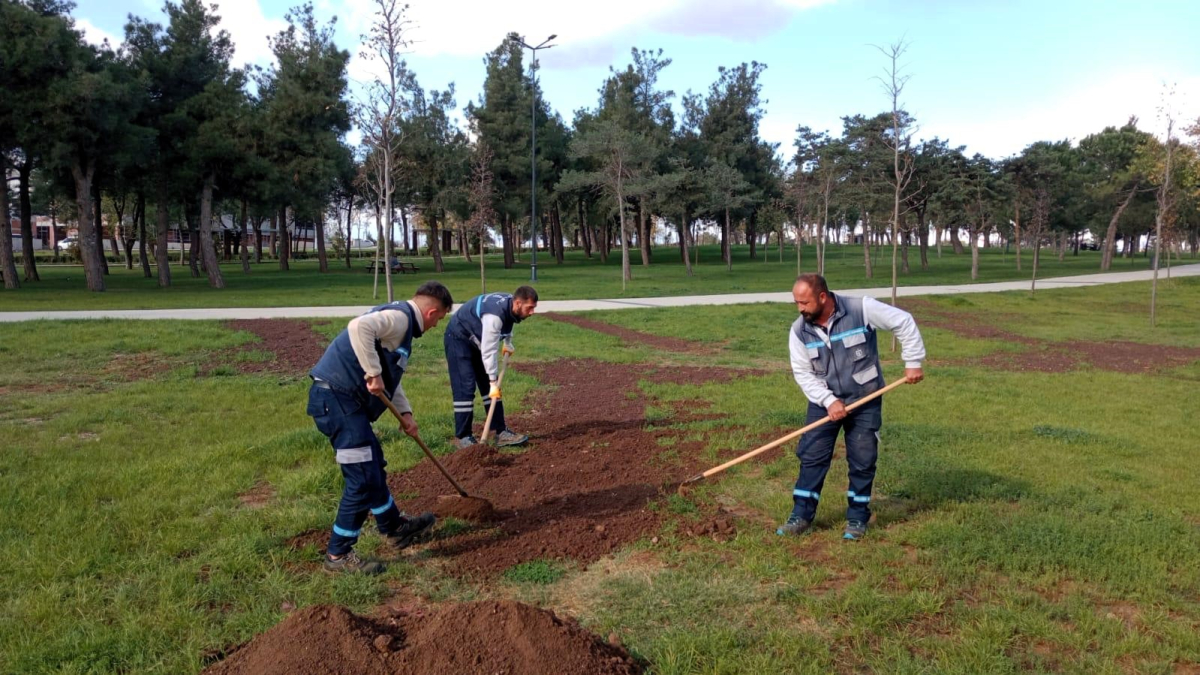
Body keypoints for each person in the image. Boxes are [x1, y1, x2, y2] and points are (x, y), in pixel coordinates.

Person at [307, 281, 454, 574]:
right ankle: (338, 555)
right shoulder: (400, 318)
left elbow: (389, 379)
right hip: (337, 400)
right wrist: (373, 373)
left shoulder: (401, 324)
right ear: (432, 312)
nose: (436, 325)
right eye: (439, 319)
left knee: (372, 465)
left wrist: (406, 414)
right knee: (362, 477)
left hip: (346, 402)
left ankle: (394, 527)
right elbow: (358, 327)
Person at [778, 273, 925, 541]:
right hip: (824, 402)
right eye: (796, 302)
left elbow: (903, 321)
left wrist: (913, 361)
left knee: (862, 459)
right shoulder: (799, 331)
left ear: (823, 297)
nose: (800, 309)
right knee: (812, 456)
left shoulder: (861, 309)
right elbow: (803, 373)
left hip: (865, 398)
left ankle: (858, 517)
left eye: (805, 302)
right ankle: (801, 515)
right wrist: (829, 401)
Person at [444, 286, 539, 449]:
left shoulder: (510, 306)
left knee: (490, 388)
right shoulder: (494, 316)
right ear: (517, 303)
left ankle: (501, 433)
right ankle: (463, 437)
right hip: (458, 338)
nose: (532, 312)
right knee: (465, 387)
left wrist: (508, 342)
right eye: (529, 308)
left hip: (477, 339)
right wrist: (493, 382)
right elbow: (489, 351)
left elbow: (509, 322)